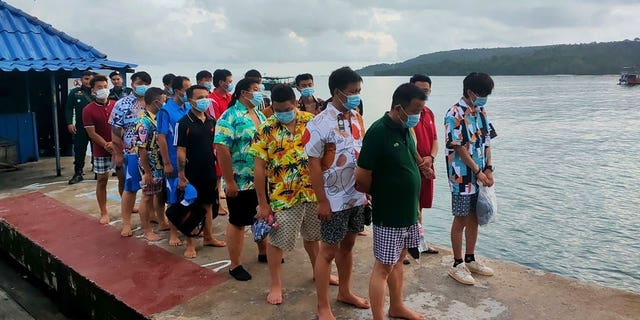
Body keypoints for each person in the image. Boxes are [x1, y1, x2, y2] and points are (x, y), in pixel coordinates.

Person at [250, 84, 332, 305]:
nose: (282, 113)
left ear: (295, 103)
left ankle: (319, 272)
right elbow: (259, 168)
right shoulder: (266, 128)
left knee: (314, 238)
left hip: (313, 193)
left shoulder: (312, 121)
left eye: (286, 108)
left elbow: (327, 154)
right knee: (277, 242)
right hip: (283, 196)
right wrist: (262, 203)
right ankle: (276, 284)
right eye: (277, 109)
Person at [356, 83, 427, 320]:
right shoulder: (378, 132)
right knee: (383, 267)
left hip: (408, 212)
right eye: (416, 110)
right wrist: (384, 194)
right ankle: (378, 317)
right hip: (389, 214)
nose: (419, 115)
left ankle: (397, 306)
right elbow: (362, 177)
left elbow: (410, 159)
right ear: (399, 108)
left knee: (399, 259)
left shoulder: (404, 129)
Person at [303, 66, 370, 320]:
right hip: (332, 199)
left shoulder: (356, 117)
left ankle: (345, 291)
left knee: (349, 246)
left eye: (359, 91)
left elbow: (360, 154)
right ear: (336, 92)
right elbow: (313, 164)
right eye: (352, 92)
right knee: (328, 251)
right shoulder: (319, 123)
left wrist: (368, 189)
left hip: (356, 195)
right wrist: (321, 201)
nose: (356, 96)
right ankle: (322, 306)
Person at [444, 72, 497, 285]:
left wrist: (489, 169)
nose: (484, 98)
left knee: (475, 217)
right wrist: (477, 171)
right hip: (462, 177)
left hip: (480, 175)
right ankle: (457, 264)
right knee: (461, 218)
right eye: (482, 94)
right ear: (470, 92)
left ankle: (470, 258)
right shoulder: (454, 114)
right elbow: (458, 149)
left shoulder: (481, 112)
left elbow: (487, 143)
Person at [214, 77, 267, 281]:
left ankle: (263, 251)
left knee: (261, 215)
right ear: (244, 93)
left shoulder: (260, 115)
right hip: (240, 179)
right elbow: (222, 149)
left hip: (261, 179)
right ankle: (235, 264)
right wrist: (229, 181)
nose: (259, 92)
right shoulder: (229, 117)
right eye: (256, 89)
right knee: (237, 221)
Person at [176, 85, 227, 258]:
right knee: (191, 206)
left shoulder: (212, 121)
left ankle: (208, 236)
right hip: (191, 171)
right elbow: (180, 150)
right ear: (190, 101)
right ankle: (190, 243)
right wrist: (181, 175)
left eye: (206, 96)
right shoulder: (183, 123)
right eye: (200, 97)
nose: (205, 100)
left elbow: (216, 147)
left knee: (207, 205)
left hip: (209, 170)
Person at [110, 71, 152, 237]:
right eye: (140, 82)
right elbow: (115, 131)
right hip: (132, 152)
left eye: (146, 83)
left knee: (151, 190)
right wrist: (118, 154)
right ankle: (126, 223)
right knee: (130, 188)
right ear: (133, 83)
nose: (143, 86)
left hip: (151, 153)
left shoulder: (151, 101)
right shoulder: (122, 104)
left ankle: (150, 220)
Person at [82, 75, 122, 224]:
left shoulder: (116, 105)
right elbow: (92, 133)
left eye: (105, 86)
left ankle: (127, 205)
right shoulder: (88, 110)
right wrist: (107, 144)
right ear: (92, 90)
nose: (103, 90)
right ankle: (104, 212)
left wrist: (116, 144)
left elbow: (122, 126)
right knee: (102, 180)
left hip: (119, 148)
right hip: (100, 150)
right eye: (99, 87)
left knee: (122, 179)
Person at [157, 76, 191, 246]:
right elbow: (161, 137)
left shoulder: (189, 107)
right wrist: (167, 163)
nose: (189, 92)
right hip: (173, 158)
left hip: (189, 160)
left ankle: (188, 227)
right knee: (173, 198)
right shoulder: (166, 111)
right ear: (177, 91)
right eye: (186, 89)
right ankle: (173, 233)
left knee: (189, 196)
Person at [409, 74, 439, 255]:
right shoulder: (406, 114)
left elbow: (435, 139)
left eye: (426, 90)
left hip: (427, 165)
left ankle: (419, 241)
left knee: (420, 206)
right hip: (413, 167)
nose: (423, 93)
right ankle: (406, 246)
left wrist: (431, 159)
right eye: (419, 90)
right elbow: (408, 142)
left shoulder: (429, 113)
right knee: (409, 206)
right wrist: (423, 164)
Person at [134, 87, 167, 242]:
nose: (165, 102)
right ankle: (146, 230)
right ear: (156, 101)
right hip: (150, 166)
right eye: (163, 100)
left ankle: (162, 222)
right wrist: (147, 171)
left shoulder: (157, 117)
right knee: (147, 197)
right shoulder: (143, 122)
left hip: (159, 165)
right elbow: (141, 149)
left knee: (159, 195)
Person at [208, 69, 234, 217]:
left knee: (222, 173)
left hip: (230, 139)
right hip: (218, 141)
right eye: (229, 81)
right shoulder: (212, 100)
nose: (230, 84)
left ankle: (218, 199)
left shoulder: (230, 97)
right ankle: (216, 203)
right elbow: (215, 123)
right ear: (220, 82)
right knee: (217, 174)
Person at [66, 70, 95, 184]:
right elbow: (68, 108)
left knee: (97, 150)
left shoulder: (98, 92)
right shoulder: (75, 92)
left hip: (96, 128)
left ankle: (98, 172)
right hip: (80, 127)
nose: (88, 81)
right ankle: (78, 173)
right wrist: (69, 123)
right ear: (81, 80)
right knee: (79, 150)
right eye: (86, 79)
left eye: (91, 79)